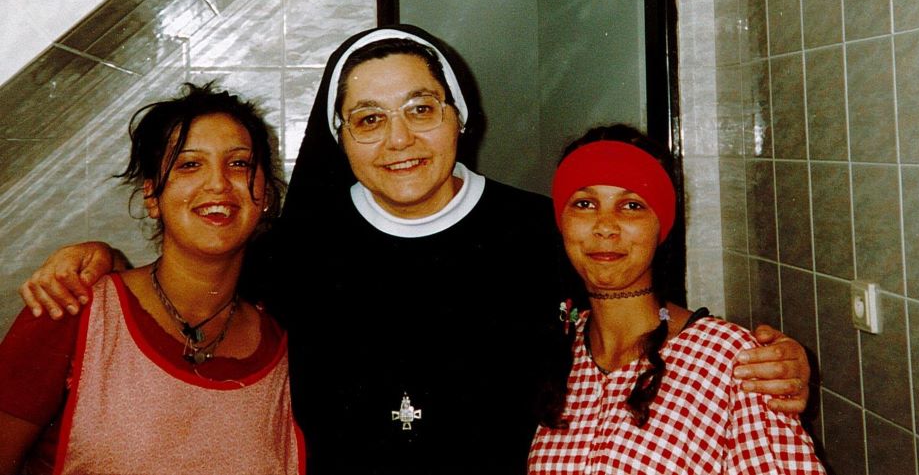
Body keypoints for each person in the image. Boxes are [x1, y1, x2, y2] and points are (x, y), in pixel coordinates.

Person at [18, 25, 812, 474]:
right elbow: (189, 281)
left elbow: (626, 305)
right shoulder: (294, 248)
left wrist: (757, 358)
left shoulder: (536, 228)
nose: (398, 139)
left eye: (420, 108)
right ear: (341, 138)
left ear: (458, 115)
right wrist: (98, 256)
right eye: (368, 118)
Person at [0, 83, 303, 475]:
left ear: (264, 194)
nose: (218, 183)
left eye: (240, 164)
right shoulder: (72, 307)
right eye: (189, 164)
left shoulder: (285, 348)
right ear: (151, 197)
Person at [529, 125, 824, 474]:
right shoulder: (554, 353)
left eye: (631, 205)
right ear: (562, 222)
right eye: (585, 203)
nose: (605, 226)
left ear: (661, 226)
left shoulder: (729, 360)